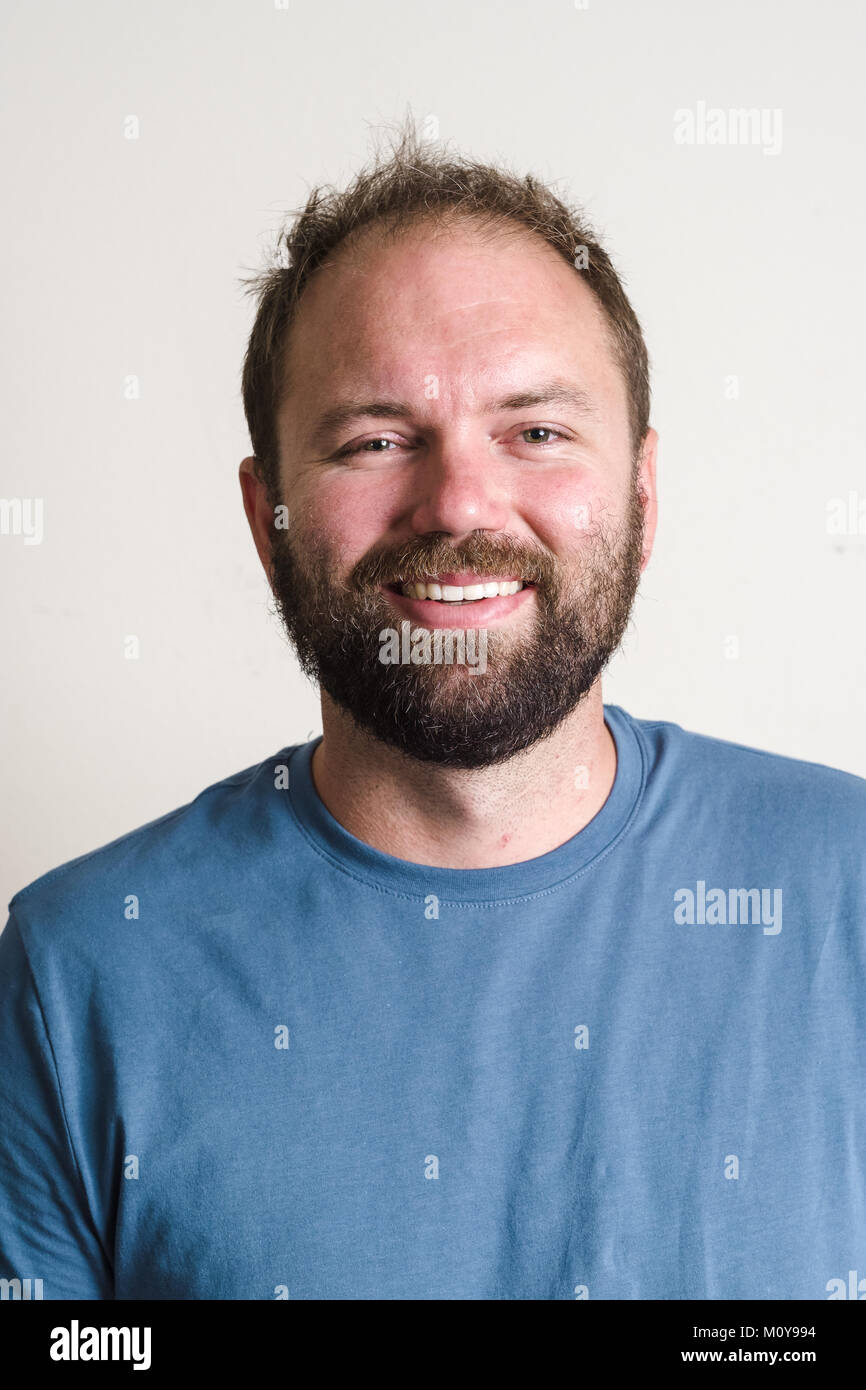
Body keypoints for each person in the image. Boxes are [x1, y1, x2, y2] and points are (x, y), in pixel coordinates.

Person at [1, 123, 864, 1302]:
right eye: (375, 440)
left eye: (536, 431)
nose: (459, 499)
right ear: (269, 521)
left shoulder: (843, 885)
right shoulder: (76, 969)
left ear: (642, 493)